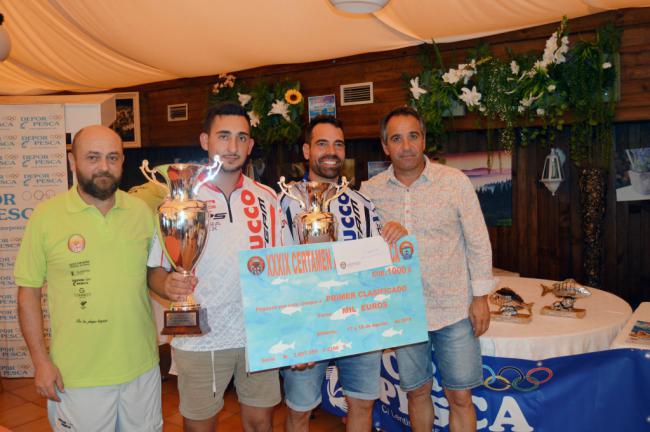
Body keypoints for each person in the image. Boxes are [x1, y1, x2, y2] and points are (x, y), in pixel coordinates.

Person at [147, 102, 285, 432]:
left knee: (260, 424)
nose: (233, 146)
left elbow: (286, 268)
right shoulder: (180, 202)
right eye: (224, 136)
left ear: (250, 146)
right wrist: (168, 286)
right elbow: (154, 271)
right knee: (199, 426)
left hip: (258, 334)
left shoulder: (268, 199)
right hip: (200, 337)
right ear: (205, 140)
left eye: (241, 138)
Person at [15, 125, 162, 431]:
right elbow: (27, 293)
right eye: (92, 157)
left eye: (112, 157)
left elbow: (152, 275)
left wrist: (173, 286)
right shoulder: (46, 217)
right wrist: (41, 362)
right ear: (73, 162)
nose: (104, 167)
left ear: (123, 161)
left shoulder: (141, 212)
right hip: (78, 377)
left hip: (141, 371)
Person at [360, 106, 496, 432]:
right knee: (417, 393)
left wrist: (480, 297)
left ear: (423, 140)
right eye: (396, 138)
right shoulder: (369, 192)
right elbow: (360, 253)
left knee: (459, 396)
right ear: (384, 145)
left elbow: (478, 240)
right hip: (405, 313)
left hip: (454, 309)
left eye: (413, 136)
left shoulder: (454, 182)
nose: (406, 146)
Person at [281, 115, 403, 432]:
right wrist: (290, 330)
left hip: (357, 321)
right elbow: (273, 272)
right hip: (306, 324)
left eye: (338, 144)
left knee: (362, 403)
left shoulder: (363, 203)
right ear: (307, 150)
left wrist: (395, 239)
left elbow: (378, 264)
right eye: (322, 143)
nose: (331, 151)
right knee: (299, 410)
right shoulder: (282, 202)